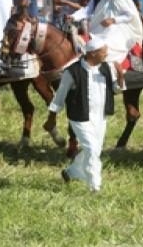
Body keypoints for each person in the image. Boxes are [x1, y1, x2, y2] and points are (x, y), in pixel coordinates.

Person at [43, 37, 124, 192]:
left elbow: (115, 90)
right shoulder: (72, 72)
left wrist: (120, 77)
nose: (106, 55)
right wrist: (51, 118)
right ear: (93, 53)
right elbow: (59, 96)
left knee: (94, 150)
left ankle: (70, 172)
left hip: (100, 117)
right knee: (92, 149)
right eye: (104, 52)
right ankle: (95, 187)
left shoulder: (106, 68)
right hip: (80, 117)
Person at [86, 0, 143, 64]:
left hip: (119, 28)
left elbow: (130, 15)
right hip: (102, 28)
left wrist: (113, 20)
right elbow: (89, 11)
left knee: (107, 46)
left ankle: (111, 70)